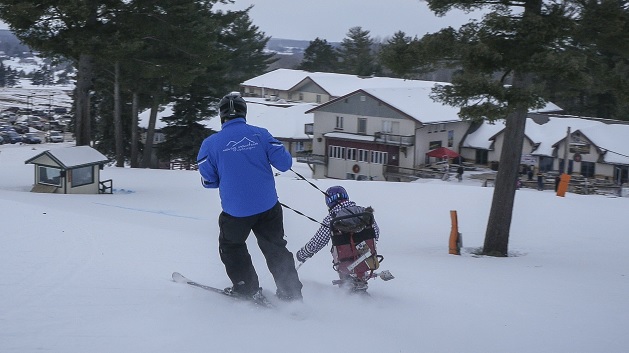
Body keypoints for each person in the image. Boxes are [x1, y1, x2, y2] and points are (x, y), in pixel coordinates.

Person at [196, 92, 303, 303]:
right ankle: (291, 293)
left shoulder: (211, 144)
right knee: (275, 248)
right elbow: (285, 163)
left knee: (232, 246)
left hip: (236, 211)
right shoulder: (261, 135)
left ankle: (247, 289)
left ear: (221, 116)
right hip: (268, 207)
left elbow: (209, 182)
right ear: (244, 113)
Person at [295, 186, 381, 293]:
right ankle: (360, 279)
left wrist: (303, 253)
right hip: (368, 256)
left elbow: (317, 242)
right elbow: (375, 233)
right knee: (361, 246)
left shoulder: (332, 219)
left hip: (346, 263)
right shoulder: (364, 212)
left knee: (340, 250)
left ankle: (347, 283)